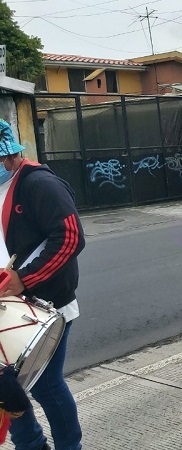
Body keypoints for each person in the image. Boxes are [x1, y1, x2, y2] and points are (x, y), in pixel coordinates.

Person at [0, 118, 85, 450]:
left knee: (45, 386)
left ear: (8, 157)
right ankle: (31, 445)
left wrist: (25, 278)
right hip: (8, 306)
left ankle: (69, 447)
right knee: (7, 389)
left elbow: (70, 236)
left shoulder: (38, 184)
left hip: (44, 305)